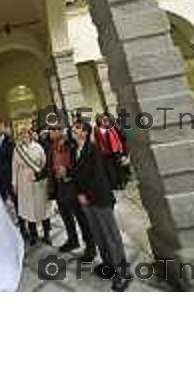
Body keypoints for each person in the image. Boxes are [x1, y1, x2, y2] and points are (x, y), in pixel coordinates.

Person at [69, 119, 132, 292]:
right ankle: (109, 265)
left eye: (77, 128)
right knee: (98, 235)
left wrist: (85, 194)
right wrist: (78, 193)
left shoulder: (93, 149)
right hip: (86, 201)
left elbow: (97, 176)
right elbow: (75, 175)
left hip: (100, 198)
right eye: (74, 127)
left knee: (111, 236)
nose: (73, 130)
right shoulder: (75, 150)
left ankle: (123, 272)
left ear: (85, 132)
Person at [48, 127, 97, 260]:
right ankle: (72, 240)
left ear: (60, 131)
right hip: (59, 186)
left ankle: (91, 247)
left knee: (81, 218)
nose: (50, 133)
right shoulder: (52, 146)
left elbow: (78, 164)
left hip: (72, 186)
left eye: (53, 130)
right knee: (66, 216)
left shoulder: (71, 144)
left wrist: (67, 172)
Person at [12, 128, 52, 245]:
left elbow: (44, 162)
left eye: (26, 134)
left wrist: (39, 174)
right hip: (24, 181)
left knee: (43, 208)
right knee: (29, 210)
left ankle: (47, 234)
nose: (24, 137)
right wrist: (14, 183)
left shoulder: (38, 147)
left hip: (39, 181)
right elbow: (14, 167)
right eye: (21, 135)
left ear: (30, 135)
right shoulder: (17, 150)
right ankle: (33, 235)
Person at [92, 114, 131, 190]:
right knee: (111, 169)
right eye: (103, 120)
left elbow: (121, 137)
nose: (105, 121)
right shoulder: (98, 130)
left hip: (117, 150)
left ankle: (123, 181)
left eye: (106, 120)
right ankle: (116, 183)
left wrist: (124, 150)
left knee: (120, 167)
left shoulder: (113, 127)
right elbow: (98, 141)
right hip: (107, 153)